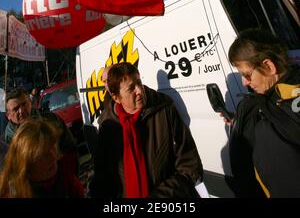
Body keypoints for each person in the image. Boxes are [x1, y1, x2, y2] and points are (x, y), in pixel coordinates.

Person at [90, 62, 203, 198]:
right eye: (131, 88)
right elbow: (103, 181)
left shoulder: (164, 109)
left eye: (139, 82)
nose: (139, 90)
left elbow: (190, 165)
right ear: (116, 98)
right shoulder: (107, 128)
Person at [227, 28, 300, 198]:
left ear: (269, 66)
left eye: (247, 74)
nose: (244, 82)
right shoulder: (268, 100)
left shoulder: (277, 110)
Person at [0, 116, 85, 198]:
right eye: (44, 155)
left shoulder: (66, 178)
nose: (53, 157)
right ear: (26, 163)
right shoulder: (12, 193)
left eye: (52, 148)